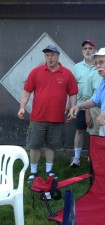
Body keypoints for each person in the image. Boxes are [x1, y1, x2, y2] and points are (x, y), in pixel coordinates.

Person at [17, 45, 78, 182]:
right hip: (38, 117)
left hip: (57, 118)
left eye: (52, 55)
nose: (49, 58)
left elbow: (73, 92)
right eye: (47, 55)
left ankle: (49, 171)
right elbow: (27, 90)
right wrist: (22, 107)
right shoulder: (36, 72)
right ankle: (33, 172)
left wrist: (73, 108)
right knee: (35, 145)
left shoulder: (67, 74)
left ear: (58, 56)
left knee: (52, 145)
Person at [70, 40, 97, 168]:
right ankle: (76, 158)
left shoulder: (99, 65)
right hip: (80, 104)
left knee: (94, 132)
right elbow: (72, 89)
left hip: (96, 105)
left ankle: (93, 156)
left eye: (90, 48)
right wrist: (71, 106)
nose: (87, 50)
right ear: (82, 51)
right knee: (80, 131)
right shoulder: (77, 67)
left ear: (95, 50)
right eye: (85, 48)